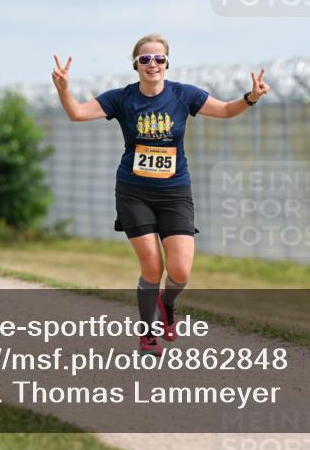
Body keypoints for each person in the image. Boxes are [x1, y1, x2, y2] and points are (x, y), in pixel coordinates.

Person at [51, 34, 271, 355]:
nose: (152, 64)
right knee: (152, 267)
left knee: (180, 271)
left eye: (158, 59)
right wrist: (63, 89)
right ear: (135, 65)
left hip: (175, 193)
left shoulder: (183, 95)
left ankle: (166, 305)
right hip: (133, 192)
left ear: (167, 63)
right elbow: (78, 113)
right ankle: (147, 334)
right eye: (145, 59)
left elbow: (224, 110)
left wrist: (250, 97)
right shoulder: (122, 98)